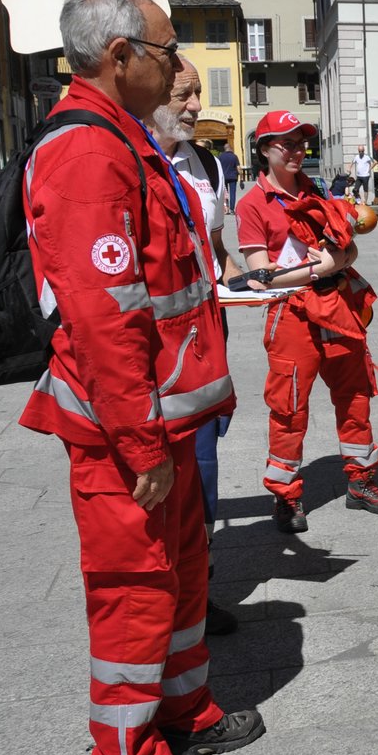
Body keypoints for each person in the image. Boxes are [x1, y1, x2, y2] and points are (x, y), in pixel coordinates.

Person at [21, 0, 263, 755]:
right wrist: (138, 442)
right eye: (162, 52)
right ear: (119, 57)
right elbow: (105, 314)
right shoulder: (87, 153)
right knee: (135, 584)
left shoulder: (124, 139)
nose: (174, 68)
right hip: (130, 429)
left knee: (184, 570)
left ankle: (184, 707)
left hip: (164, 416)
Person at [236, 112, 378, 532]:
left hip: (335, 306)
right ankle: (287, 496)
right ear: (263, 150)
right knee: (288, 407)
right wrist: (321, 267)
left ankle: (361, 480)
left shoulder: (320, 190)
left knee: (355, 394)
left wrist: (339, 260)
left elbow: (347, 250)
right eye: (285, 144)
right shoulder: (252, 204)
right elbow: (259, 277)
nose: (296, 151)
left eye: (300, 143)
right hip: (291, 314)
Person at [149, 56, 242, 636]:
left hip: (207, 330)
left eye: (198, 94)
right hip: (159, 343)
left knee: (203, 464)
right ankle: (168, 594)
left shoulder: (203, 160)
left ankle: (197, 587)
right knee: (166, 469)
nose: (195, 106)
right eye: (185, 94)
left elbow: (214, 245)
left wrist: (249, 277)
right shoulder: (131, 157)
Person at [217, 141, 240, 210]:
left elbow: (218, 167)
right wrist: (241, 178)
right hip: (233, 177)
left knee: (225, 193)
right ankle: (232, 209)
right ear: (230, 148)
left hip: (224, 177)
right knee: (232, 193)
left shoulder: (220, 156)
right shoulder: (234, 156)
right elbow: (238, 168)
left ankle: (226, 207)